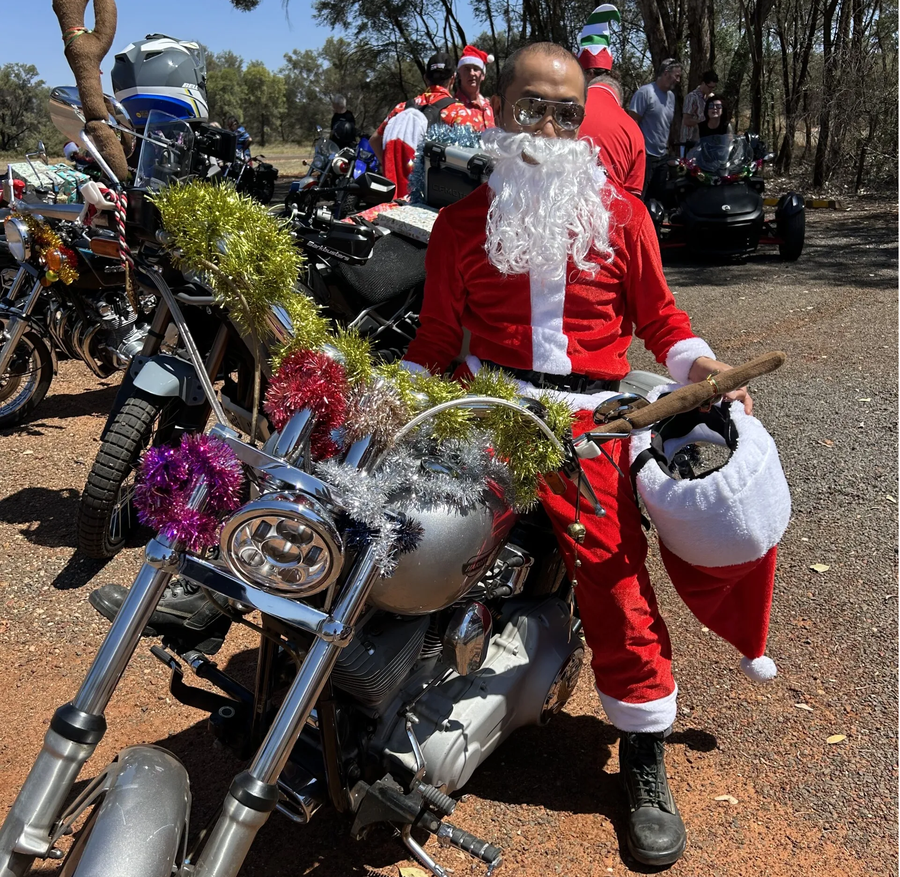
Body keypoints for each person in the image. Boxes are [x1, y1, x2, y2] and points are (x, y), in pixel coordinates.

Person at [401, 42, 779, 868]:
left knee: (613, 575)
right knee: (408, 531)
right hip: (486, 407)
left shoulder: (623, 217)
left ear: (582, 122)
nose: (548, 127)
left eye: (565, 113)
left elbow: (664, 321)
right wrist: (384, 399)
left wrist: (701, 366)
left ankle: (641, 750)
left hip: (587, 422)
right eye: (531, 108)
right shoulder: (461, 226)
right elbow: (433, 341)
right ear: (498, 112)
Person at [369, 52, 476, 197]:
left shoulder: (401, 108)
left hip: (393, 197)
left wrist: (391, 166)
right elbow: (469, 155)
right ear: (453, 78)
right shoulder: (458, 112)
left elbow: (374, 139)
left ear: (426, 78)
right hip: (429, 199)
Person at [575, 5, 645, 197]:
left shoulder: (566, 111)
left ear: (587, 74)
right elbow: (633, 200)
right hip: (611, 214)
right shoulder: (634, 131)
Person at [628, 58, 681, 200]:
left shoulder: (671, 97)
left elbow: (665, 125)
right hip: (645, 156)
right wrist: (637, 153)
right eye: (677, 76)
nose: (678, 80)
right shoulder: (645, 92)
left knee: (658, 199)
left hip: (662, 156)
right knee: (641, 197)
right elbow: (632, 123)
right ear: (666, 73)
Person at [454, 45, 496, 131]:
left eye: (476, 69)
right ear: (459, 74)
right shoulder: (452, 107)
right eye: (467, 69)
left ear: (483, 76)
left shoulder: (489, 107)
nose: (472, 73)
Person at [680, 70, 718, 151]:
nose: (711, 90)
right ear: (703, 83)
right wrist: (703, 123)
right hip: (690, 142)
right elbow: (686, 120)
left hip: (703, 142)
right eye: (709, 87)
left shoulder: (709, 98)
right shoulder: (692, 97)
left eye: (713, 88)